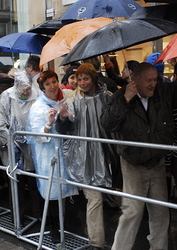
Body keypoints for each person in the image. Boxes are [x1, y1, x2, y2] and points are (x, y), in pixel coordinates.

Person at [100, 62, 176, 250]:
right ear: (135, 80)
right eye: (148, 80)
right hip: (133, 163)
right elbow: (106, 124)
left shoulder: (162, 93)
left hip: (156, 162)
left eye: (155, 80)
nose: (153, 84)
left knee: (160, 212)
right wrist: (125, 99)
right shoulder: (120, 96)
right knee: (132, 212)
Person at [55, 63, 119, 250]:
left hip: (109, 154)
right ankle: (96, 241)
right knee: (95, 199)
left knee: (118, 199)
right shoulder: (72, 100)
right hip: (84, 158)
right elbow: (62, 130)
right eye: (79, 79)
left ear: (94, 79)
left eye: (86, 79)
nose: (81, 83)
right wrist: (63, 118)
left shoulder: (107, 98)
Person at [27, 70, 78, 243]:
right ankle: (53, 228)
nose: (52, 86)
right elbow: (35, 135)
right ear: (42, 87)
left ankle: (68, 226)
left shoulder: (64, 100)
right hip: (48, 156)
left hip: (66, 154)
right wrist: (48, 124)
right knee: (52, 192)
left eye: (54, 81)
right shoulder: (38, 107)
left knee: (67, 189)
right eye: (48, 84)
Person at [0, 71, 42, 224]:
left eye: (28, 88)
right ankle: (17, 216)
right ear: (16, 86)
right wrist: (7, 138)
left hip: (32, 144)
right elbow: (0, 118)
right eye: (23, 89)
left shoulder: (37, 95)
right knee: (16, 181)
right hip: (13, 144)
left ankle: (39, 215)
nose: (26, 91)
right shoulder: (7, 96)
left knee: (34, 181)